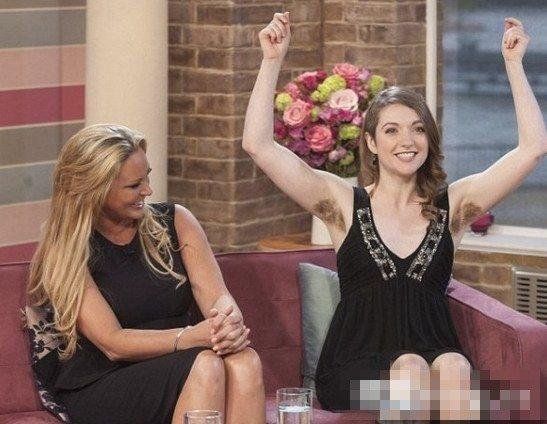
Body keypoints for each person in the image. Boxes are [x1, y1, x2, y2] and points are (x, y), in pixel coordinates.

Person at [243, 12, 545, 420]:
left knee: (454, 365)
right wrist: (271, 60)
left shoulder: (452, 209)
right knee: (410, 368)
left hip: (433, 355)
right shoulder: (342, 204)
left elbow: (532, 149)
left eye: (418, 129)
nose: (408, 140)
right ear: (370, 142)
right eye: (392, 130)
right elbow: (258, 145)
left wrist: (513, 65)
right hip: (354, 368)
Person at [27, 124, 266, 424]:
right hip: (105, 380)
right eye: (133, 185)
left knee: (245, 362)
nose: (148, 191)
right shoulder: (67, 250)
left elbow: (217, 297)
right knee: (205, 365)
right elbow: (113, 343)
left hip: (184, 361)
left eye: (147, 177)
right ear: (95, 190)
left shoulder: (177, 221)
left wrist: (228, 323)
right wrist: (190, 337)